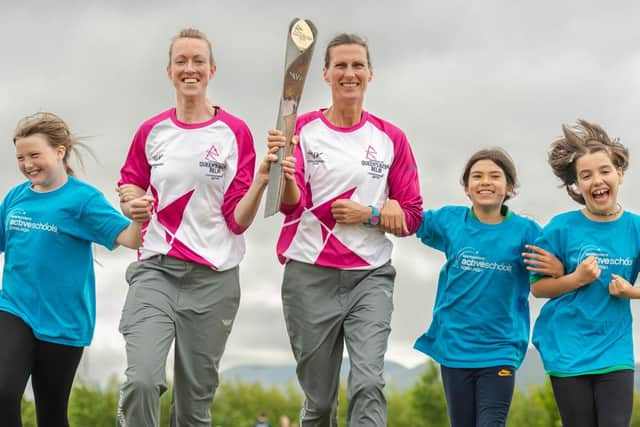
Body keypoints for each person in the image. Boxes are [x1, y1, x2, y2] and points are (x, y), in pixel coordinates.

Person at [115, 28, 275, 426]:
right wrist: (131, 201)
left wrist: (259, 181)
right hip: (156, 271)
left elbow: (237, 222)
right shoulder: (151, 132)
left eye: (198, 61)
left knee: (193, 407)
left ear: (212, 69)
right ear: (169, 71)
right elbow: (130, 181)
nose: (190, 69)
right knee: (142, 382)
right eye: (182, 61)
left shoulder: (234, 133)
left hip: (214, 281)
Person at [268, 33, 423, 426]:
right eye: (341, 66)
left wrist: (370, 214)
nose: (349, 73)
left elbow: (411, 217)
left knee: (368, 383)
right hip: (308, 275)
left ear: (370, 73)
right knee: (319, 403)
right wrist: (284, 171)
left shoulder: (392, 139)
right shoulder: (300, 129)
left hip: (369, 277)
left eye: (357, 66)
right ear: (325, 74)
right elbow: (289, 204)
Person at [0, 112, 152, 427]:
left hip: (64, 321)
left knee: (52, 415)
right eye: (20, 157)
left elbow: (129, 237)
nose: (27, 164)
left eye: (34, 155)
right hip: (14, 308)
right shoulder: (16, 197)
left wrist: (139, 216)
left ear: (59, 151)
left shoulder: (83, 200)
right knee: (2, 392)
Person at [412, 148, 563, 426]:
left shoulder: (526, 231)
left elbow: (550, 270)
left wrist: (559, 267)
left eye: (495, 176)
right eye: (477, 176)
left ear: (509, 187)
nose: (485, 182)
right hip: (455, 346)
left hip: (500, 348)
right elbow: (408, 219)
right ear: (466, 188)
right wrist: (372, 213)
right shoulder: (449, 220)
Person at [530, 119, 639, 427]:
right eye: (586, 175)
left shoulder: (636, 227)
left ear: (618, 173)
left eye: (604, 171)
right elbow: (538, 288)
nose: (596, 180)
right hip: (568, 347)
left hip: (614, 348)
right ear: (577, 185)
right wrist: (575, 278)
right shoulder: (560, 228)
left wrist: (630, 291)